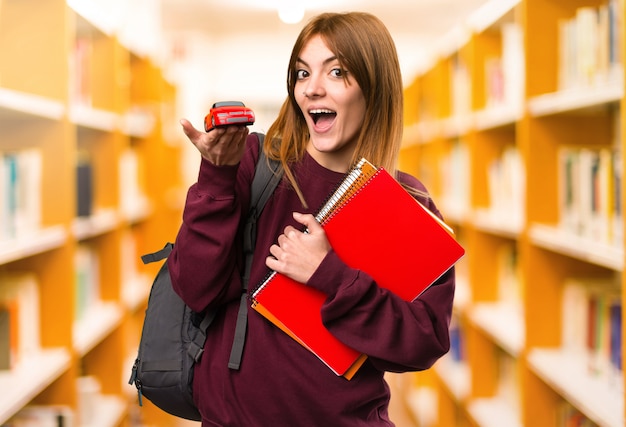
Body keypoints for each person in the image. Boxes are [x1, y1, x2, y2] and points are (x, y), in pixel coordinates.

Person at [168, 11, 455, 426]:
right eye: (302, 73)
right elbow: (196, 288)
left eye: (337, 72)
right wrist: (216, 175)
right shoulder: (256, 164)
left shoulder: (407, 202)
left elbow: (423, 344)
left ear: (374, 89)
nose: (313, 89)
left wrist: (330, 275)